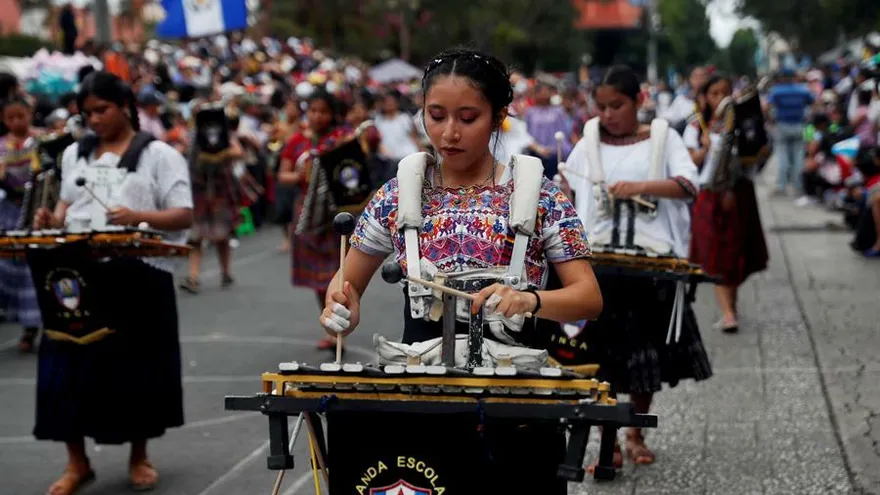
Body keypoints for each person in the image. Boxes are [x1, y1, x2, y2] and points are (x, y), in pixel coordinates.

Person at [319, 48, 602, 494]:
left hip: (518, 405)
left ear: (499, 116)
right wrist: (341, 305)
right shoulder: (397, 195)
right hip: (421, 401)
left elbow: (588, 297)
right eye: (436, 116)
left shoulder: (540, 196)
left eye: (468, 118)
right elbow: (346, 283)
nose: (449, 133)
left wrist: (531, 300)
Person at [32, 71, 192, 495]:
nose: (94, 119)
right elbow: (67, 207)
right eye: (87, 113)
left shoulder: (159, 154)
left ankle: (139, 457)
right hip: (78, 274)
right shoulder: (74, 155)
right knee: (64, 366)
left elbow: (183, 215)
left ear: (124, 105)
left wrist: (137, 217)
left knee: (134, 367)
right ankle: (76, 463)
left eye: (101, 109)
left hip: (135, 275)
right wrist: (51, 218)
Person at [560, 65, 713, 470]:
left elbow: (688, 185)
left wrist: (640, 186)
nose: (608, 114)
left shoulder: (663, 139)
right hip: (598, 265)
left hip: (651, 264)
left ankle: (634, 433)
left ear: (638, 101)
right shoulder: (588, 142)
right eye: (602, 106)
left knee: (644, 356)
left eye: (617, 105)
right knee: (598, 357)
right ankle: (605, 443)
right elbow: (568, 191)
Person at [685, 75, 769, 333]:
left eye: (725, 92)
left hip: (737, 193)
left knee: (735, 249)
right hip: (709, 194)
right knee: (715, 252)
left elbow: (760, 152)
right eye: (714, 93)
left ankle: (730, 308)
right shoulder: (696, 125)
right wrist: (704, 148)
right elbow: (690, 161)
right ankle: (728, 312)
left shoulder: (741, 122)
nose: (720, 98)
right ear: (704, 97)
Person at [277, 89, 349, 352]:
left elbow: (354, 173)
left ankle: (340, 325)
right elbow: (281, 175)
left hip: (335, 216)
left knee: (338, 275)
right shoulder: (297, 141)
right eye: (314, 111)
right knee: (320, 280)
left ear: (332, 114)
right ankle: (331, 328)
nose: (318, 116)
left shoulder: (342, 140)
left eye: (323, 111)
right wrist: (301, 175)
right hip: (307, 216)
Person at [180, 105, 244, 293]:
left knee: (222, 235)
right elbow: (188, 157)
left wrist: (219, 155)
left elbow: (238, 152)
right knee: (196, 236)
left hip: (220, 190)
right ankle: (193, 277)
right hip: (199, 190)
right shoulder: (194, 137)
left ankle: (225, 272)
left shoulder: (226, 136)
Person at [0, 97, 43, 352]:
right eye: (11, 117)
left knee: (32, 271)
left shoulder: (41, 140)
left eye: (21, 115)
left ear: (30, 114)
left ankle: (31, 329)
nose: (17, 121)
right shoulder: (2, 146)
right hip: (8, 212)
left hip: (36, 211)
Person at [766, 67, 815, 198]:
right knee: (798, 157)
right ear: (794, 76)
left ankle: (782, 187)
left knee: (782, 157)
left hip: (782, 125)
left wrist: (771, 120)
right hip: (799, 125)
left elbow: (767, 106)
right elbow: (813, 102)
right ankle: (798, 187)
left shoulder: (777, 91)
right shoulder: (803, 90)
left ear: (782, 77)